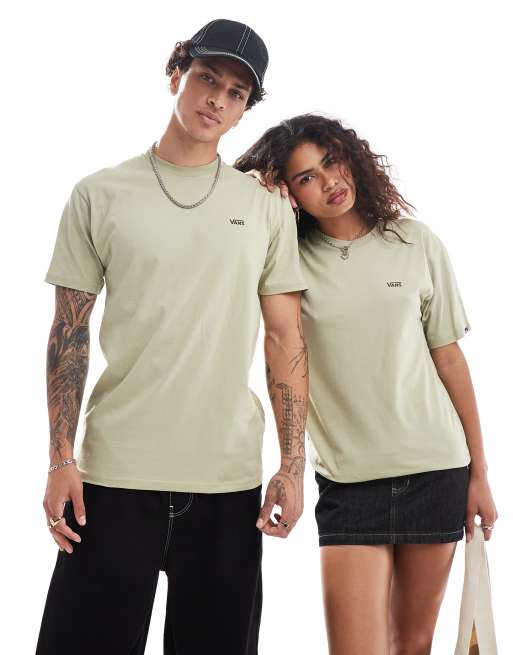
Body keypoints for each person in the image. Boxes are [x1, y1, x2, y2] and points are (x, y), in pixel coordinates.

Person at [36, 20, 308, 655]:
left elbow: (285, 339)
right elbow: (69, 331)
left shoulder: (265, 207)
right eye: (207, 78)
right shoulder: (100, 194)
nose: (217, 99)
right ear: (176, 75)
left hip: (226, 482)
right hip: (113, 475)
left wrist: (292, 467)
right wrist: (60, 457)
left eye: (237, 92)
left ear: (245, 109)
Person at [234, 113, 498, 655]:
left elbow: (449, 360)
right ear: (290, 193)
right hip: (349, 481)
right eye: (306, 177)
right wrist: (257, 194)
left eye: (331, 161)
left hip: (436, 468)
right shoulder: (287, 258)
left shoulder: (415, 242)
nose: (329, 181)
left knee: (412, 646)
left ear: (352, 158)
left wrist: (480, 473)